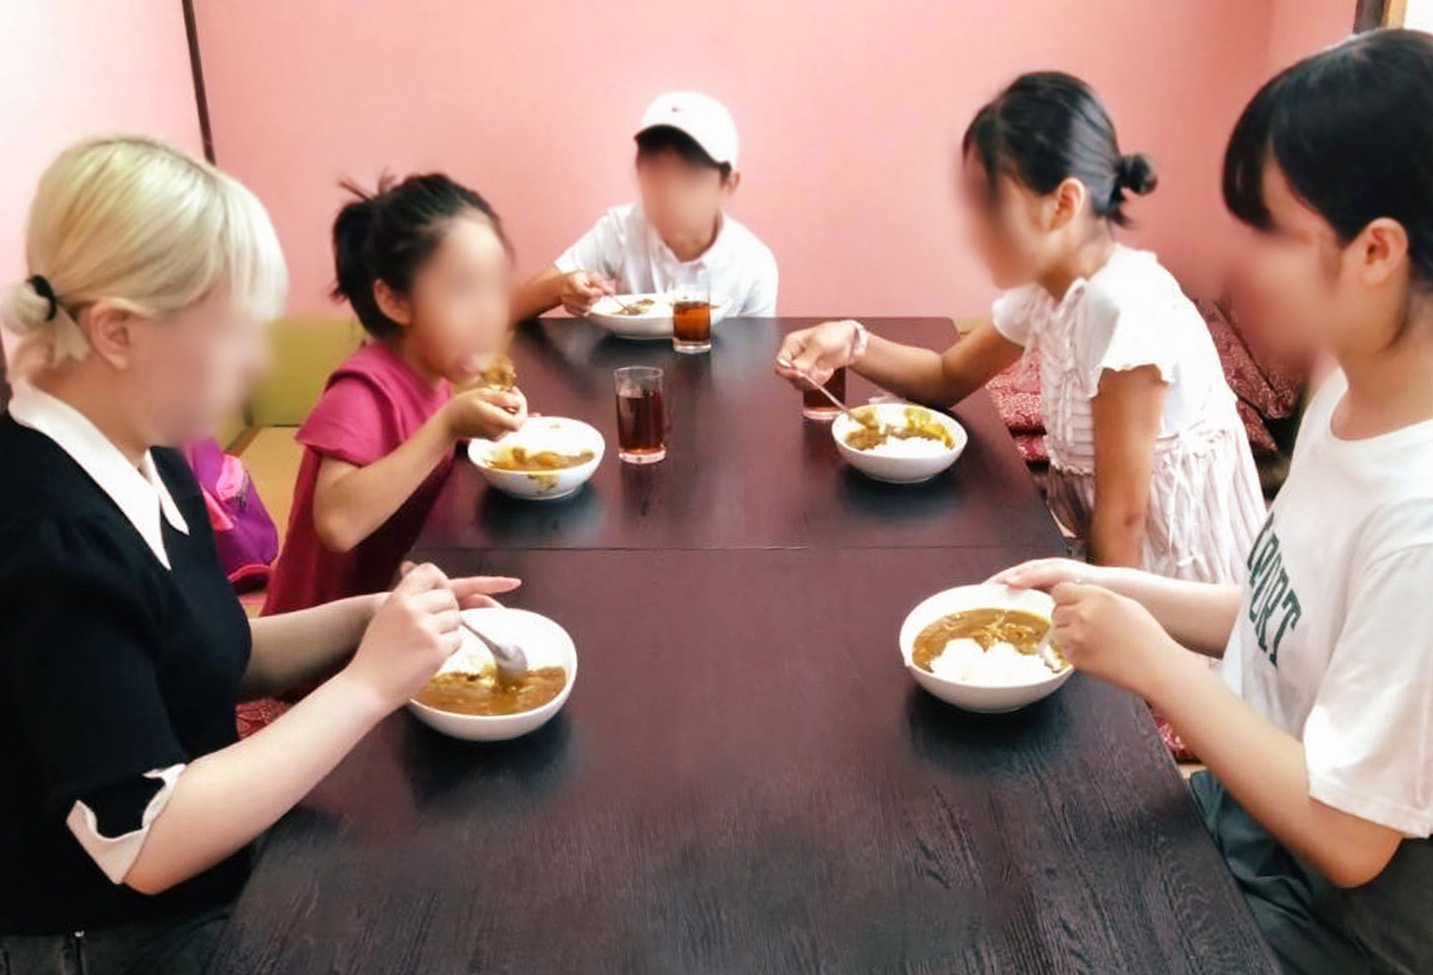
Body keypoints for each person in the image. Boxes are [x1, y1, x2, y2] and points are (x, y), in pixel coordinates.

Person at [0, 137, 519, 975]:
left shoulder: (147, 447)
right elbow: (145, 841)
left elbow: (215, 651)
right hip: (115, 932)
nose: (257, 361)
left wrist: (374, 619)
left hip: (215, 856)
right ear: (118, 331)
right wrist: (368, 683)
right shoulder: (48, 534)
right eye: (236, 330)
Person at [993, 31, 1433, 974]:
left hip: (1330, 915)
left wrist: (1155, 665)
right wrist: (1106, 584)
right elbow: (1284, 616)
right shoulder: (1351, 403)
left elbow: (1352, 838)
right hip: (1249, 820)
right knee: (1012, 857)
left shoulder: (1420, 519)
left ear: (1375, 252)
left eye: (1270, 230)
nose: (1243, 261)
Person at [777, 72, 1264, 583]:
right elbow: (946, 376)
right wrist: (849, 341)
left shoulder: (1122, 306)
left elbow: (1123, 523)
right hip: (1099, 550)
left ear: (1064, 204)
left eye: (989, 203)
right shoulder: (1048, 289)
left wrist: (1076, 644)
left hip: (1168, 580)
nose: (970, 228)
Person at [262, 174, 526, 615]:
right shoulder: (361, 389)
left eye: (497, 285)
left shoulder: (431, 374)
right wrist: (447, 427)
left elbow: (411, 446)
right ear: (395, 301)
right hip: (318, 642)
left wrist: (473, 424)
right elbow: (337, 524)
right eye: (463, 289)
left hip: (391, 605)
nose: (489, 312)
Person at [511, 91, 779, 322]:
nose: (669, 194)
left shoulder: (753, 266)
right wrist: (562, 287)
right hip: (631, 379)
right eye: (656, 172)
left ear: (728, 185)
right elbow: (512, 308)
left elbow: (754, 365)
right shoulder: (621, 229)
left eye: (689, 177)